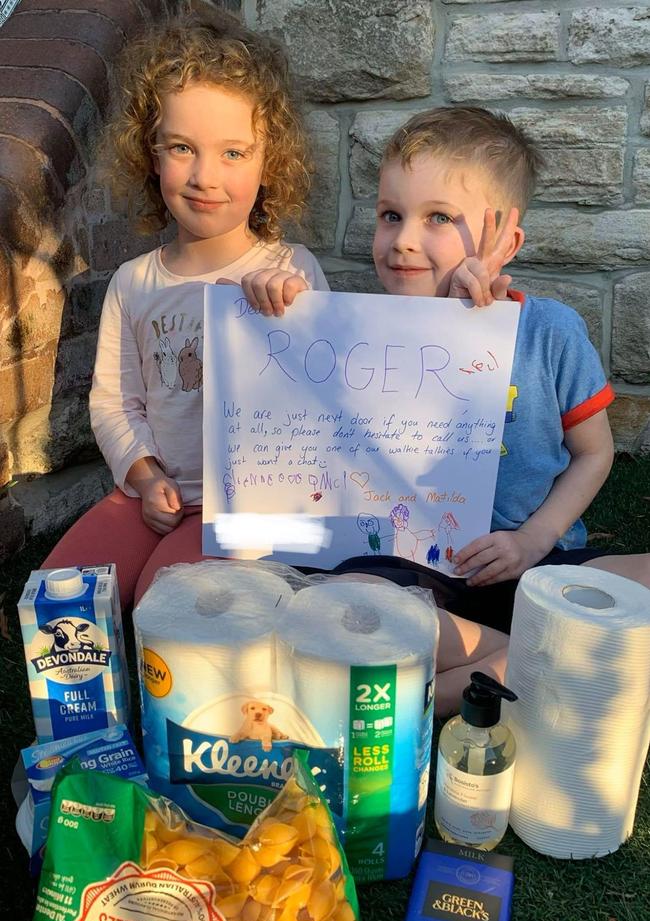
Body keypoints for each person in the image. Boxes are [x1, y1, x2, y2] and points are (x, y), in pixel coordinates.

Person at [241, 106, 650, 633]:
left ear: (506, 241)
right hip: (401, 569)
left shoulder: (550, 332)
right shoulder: (347, 333)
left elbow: (594, 452)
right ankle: (512, 662)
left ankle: (484, 660)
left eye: (438, 217)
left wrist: (534, 539)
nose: (405, 239)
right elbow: (294, 425)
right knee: (350, 607)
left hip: (532, 563)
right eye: (391, 215)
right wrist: (278, 313)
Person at [41, 4, 329, 609]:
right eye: (181, 147)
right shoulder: (133, 282)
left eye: (233, 153)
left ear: (268, 161)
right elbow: (117, 402)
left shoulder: (289, 271)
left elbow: (321, 408)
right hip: (152, 494)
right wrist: (144, 477)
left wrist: (291, 319)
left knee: (164, 606)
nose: (204, 176)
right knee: (57, 597)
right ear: (149, 153)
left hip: (245, 509)